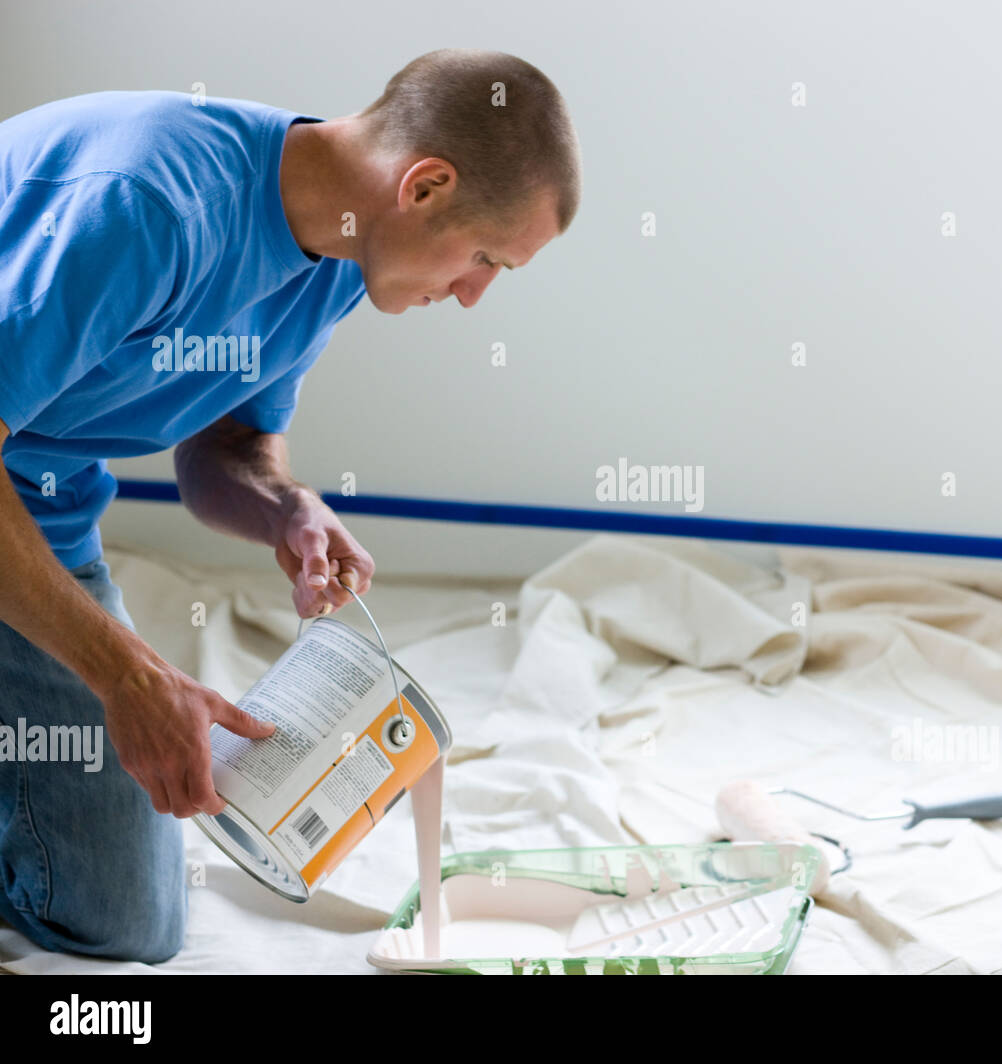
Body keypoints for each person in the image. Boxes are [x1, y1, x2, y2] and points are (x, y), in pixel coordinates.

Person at [0, 47, 581, 962]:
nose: (473, 296)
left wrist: (285, 508)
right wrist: (126, 676)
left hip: (36, 511)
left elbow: (222, 450)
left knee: (123, 923)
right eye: (484, 259)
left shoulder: (340, 256)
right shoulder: (152, 207)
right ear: (423, 187)